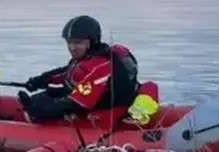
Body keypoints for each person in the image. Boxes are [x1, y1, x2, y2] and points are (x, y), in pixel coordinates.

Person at [19, 15, 149, 124]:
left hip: (105, 108)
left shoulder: (102, 66)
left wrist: (37, 110)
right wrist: (40, 80)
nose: (72, 47)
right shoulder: (87, 58)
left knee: (43, 103)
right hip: (94, 99)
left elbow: (78, 102)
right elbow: (67, 72)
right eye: (69, 42)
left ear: (92, 41)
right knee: (45, 96)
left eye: (78, 42)